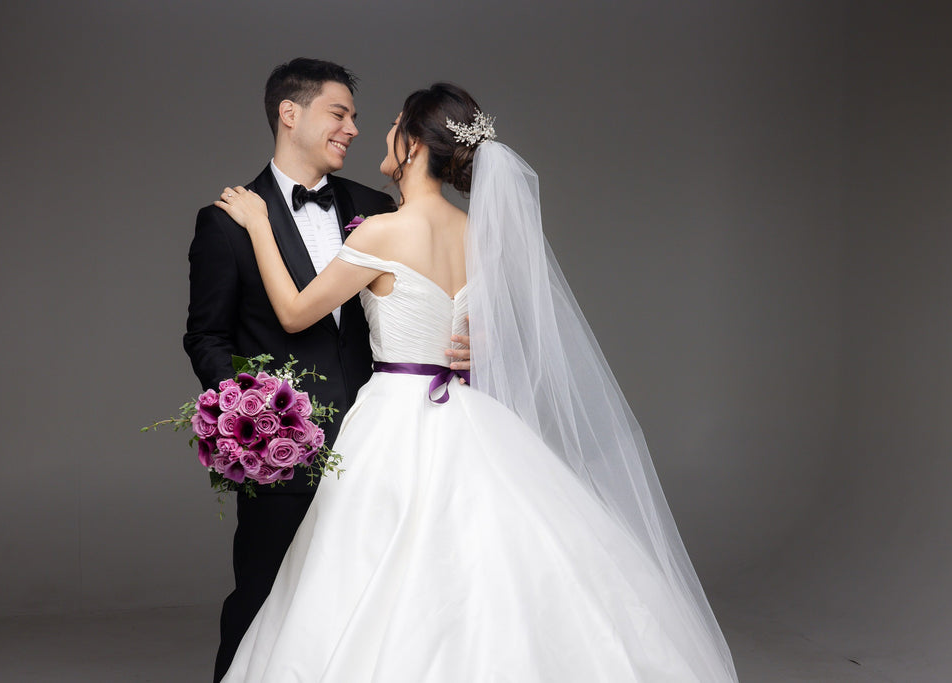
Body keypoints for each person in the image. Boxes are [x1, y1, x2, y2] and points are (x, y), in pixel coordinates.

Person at [214, 83, 738, 681]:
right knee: (482, 564)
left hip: (393, 415)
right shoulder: (476, 231)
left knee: (375, 565)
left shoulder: (382, 231)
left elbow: (293, 313)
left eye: (389, 127)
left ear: (412, 145)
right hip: (465, 411)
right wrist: (474, 344)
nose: (375, 134)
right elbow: (491, 329)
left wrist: (258, 224)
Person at [183, 59, 469, 682]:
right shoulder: (228, 221)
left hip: (387, 443)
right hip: (284, 448)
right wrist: (245, 410)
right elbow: (205, 336)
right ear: (291, 113)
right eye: (340, 114)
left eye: (360, 119)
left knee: (386, 608)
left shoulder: (377, 210)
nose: (354, 130)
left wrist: (465, 345)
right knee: (264, 605)